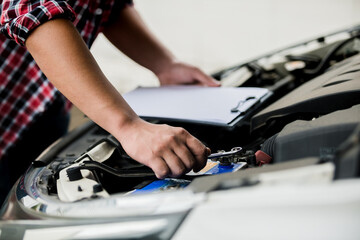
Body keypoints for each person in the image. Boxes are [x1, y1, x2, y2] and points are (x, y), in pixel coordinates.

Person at [0, 0, 220, 205]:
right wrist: (129, 127)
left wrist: (165, 65)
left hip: (45, 104)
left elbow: (106, 7)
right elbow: (34, 12)